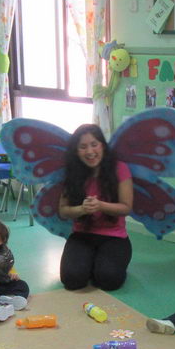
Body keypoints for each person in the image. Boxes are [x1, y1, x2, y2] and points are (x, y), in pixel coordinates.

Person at [59, 125, 134, 292]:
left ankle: (101, 264)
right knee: (72, 280)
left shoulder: (119, 168)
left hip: (114, 237)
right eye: (83, 147)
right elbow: (63, 210)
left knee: (109, 280)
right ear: (76, 151)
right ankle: (93, 262)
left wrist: (100, 205)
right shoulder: (72, 172)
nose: (90, 151)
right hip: (82, 235)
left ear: (103, 146)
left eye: (94, 144)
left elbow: (126, 208)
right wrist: (82, 209)